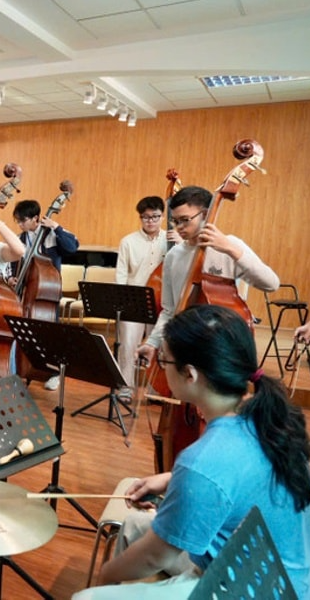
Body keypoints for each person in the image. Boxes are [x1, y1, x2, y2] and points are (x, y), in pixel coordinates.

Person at [74, 304, 310, 599]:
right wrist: (172, 479)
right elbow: (239, 477)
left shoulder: (202, 461)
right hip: (281, 574)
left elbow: (155, 557)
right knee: (134, 526)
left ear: (190, 374)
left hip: (253, 589)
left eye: (164, 360)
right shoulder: (268, 417)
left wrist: (105, 576)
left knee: (85, 597)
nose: (160, 366)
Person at [137, 186, 279, 366]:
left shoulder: (230, 244)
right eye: (175, 221)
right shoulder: (173, 256)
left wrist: (231, 250)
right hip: (185, 342)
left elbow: (271, 283)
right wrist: (152, 343)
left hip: (220, 346)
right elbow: (170, 310)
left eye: (185, 220)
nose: (179, 227)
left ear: (205, 214)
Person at [11, 199, 79, 390]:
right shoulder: (20, 238)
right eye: (18, 221)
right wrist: (12, 278)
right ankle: (21, 368)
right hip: (27, 292)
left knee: (50, 336)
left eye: (23, 220)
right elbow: (14, 263)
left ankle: (54, 373)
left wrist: (56, 227)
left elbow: (72, 247)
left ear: (35, 218)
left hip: (48, 293)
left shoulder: (52, 234)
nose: (20, 225)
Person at [114, 196, 174, 395]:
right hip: (134, 300)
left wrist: (180, 243)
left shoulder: (172, 240)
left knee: (160, 346)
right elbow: (121, 274)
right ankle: (126, 387)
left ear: (163, 216)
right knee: (128, 345)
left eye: (155, 216)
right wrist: (121, 302)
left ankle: (155, 389)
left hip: (162, 302)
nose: (151, 221)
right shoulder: (128, 242)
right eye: (146, 217)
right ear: (140, 217)